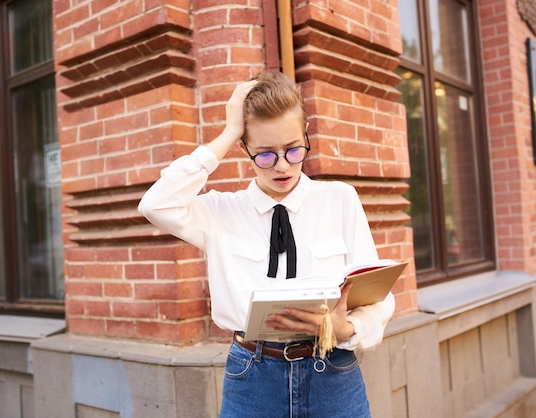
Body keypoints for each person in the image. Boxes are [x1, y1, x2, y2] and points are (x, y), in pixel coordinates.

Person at [138, 70, 395, 417]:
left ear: (306, 137)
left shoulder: (339, 199)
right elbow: (155, 204)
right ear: (245, 149)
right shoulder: (221, 211)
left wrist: (348, 328)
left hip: (332, 372)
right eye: (265, 155)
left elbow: (376, 292)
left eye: (293, 149)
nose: (282, 166)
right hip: (252, 378)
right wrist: (228, 132)